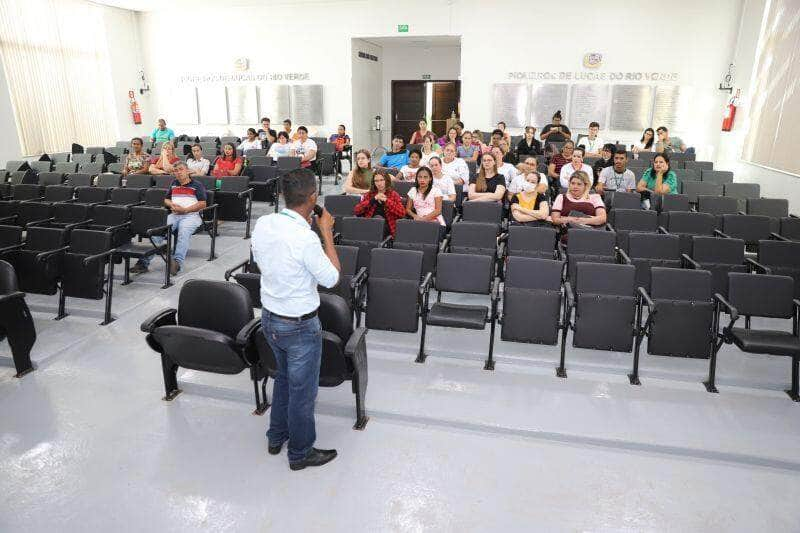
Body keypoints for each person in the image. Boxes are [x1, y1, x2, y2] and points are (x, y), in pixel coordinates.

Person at [251, 168, 340, 471]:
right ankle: (300, 453)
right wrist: (326, 230)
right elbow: (331, 278)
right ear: (313, 198)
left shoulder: (263, 223)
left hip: (270, 319)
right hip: (299, 326)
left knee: (284, 379)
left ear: (282, 196)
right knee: (303, 393)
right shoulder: (306, 238)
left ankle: (276, 436)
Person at [129, 161, 207, 276]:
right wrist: (171, 205)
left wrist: (185, 210)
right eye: (176, 170)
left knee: (183, 232)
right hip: (175, 215)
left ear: (187, 171)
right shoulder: (174, 183)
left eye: (181, 169)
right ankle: (143, 263)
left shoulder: (197, 185)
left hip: (191, 216)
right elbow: (166, 199)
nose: (178, 172)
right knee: (157, 231)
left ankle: (177, 263)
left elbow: (203, 204)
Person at [353, 171, 406, 237]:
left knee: (378, 218)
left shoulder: (393, 194)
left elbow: (402, 213)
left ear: (386, 180)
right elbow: (357, 210)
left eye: (381, 180)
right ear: (374, 183)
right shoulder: (370, 194)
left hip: (387, 228)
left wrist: (386, 201)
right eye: (376, 181)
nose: (379, 183)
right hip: (370, 226)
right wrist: (373, 200)